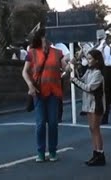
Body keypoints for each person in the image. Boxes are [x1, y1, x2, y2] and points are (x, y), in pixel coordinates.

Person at [22, 28, 70, 162]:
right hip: (38, 92)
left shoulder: (58, 52)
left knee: (53, 122)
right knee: (41, 123)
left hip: (54, 91)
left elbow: (65, 67)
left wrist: (70, 66)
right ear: (41, 37)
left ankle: (53, 151)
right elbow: (25, 72)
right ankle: (41, 152)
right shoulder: (32, 53)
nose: (49, 39)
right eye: (46, 36)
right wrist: (30, 85)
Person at [70, 49, 106, 166]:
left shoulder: (98, 73)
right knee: (92, 129)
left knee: (96, 129)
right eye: (88, 58)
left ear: (96, 60)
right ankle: (95, 152)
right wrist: (75, 68)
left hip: (96, 104)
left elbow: (89, 87)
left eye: (90, 59)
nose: (88, 61)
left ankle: (100, 154)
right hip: (89, 103)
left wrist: (75, 81)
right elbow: (82, 78)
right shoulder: (90, 71)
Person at [52, 43, 70, 123]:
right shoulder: (43, 45)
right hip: (46, 74)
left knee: (58, 96)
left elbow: (68, 56)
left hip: (57, 73)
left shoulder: (61, 45)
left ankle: (58, 116)